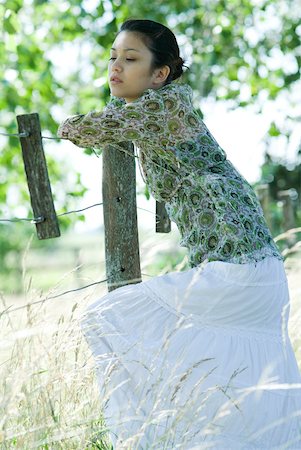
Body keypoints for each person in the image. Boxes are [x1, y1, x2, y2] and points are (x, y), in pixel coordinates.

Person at [58, 19, 301, 449]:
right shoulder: (153, 109)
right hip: (249, 269)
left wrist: (65, 125)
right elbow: (115, 122)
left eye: (130, 59)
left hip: (240, 271)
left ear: (160, 74)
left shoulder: (165, 110)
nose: (115, 66)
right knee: (223, 373)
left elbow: (86, 129)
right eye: (113, 57)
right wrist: (117, 100)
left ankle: (140, 440)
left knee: (106, 318)